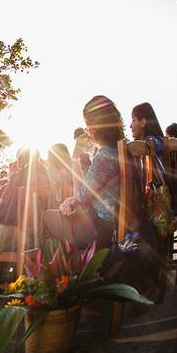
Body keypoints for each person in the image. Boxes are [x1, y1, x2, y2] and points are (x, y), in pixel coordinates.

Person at [51, 96, 125, 249]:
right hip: (118, 223)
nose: (87, 130)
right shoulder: (121, 148)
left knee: (48, 217)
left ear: (95, 126)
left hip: (103, 229)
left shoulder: (104, 156)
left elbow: (81, 196)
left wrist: (75, 156)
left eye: (87, 125)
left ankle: (73, 263)